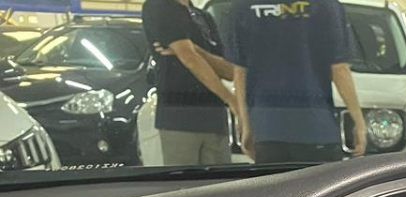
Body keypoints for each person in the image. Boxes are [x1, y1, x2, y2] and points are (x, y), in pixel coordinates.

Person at [227, 0, 367, 164]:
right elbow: (339, 69)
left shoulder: (244, 6)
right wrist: (359, 122)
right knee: (319, 181)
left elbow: (240, 72)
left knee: (277, 181)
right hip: (317, 128)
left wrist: (246, 124)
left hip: (267, 129)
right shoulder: (326, 5)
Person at [142, 0, 236, 165]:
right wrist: (231, 99)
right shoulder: (159, 6)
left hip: (215, 118)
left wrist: (197, 50)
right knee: (184, 179)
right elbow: (189, 58)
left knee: (220, 179)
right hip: (180, 119)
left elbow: (229, 71)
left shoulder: (204, 17)